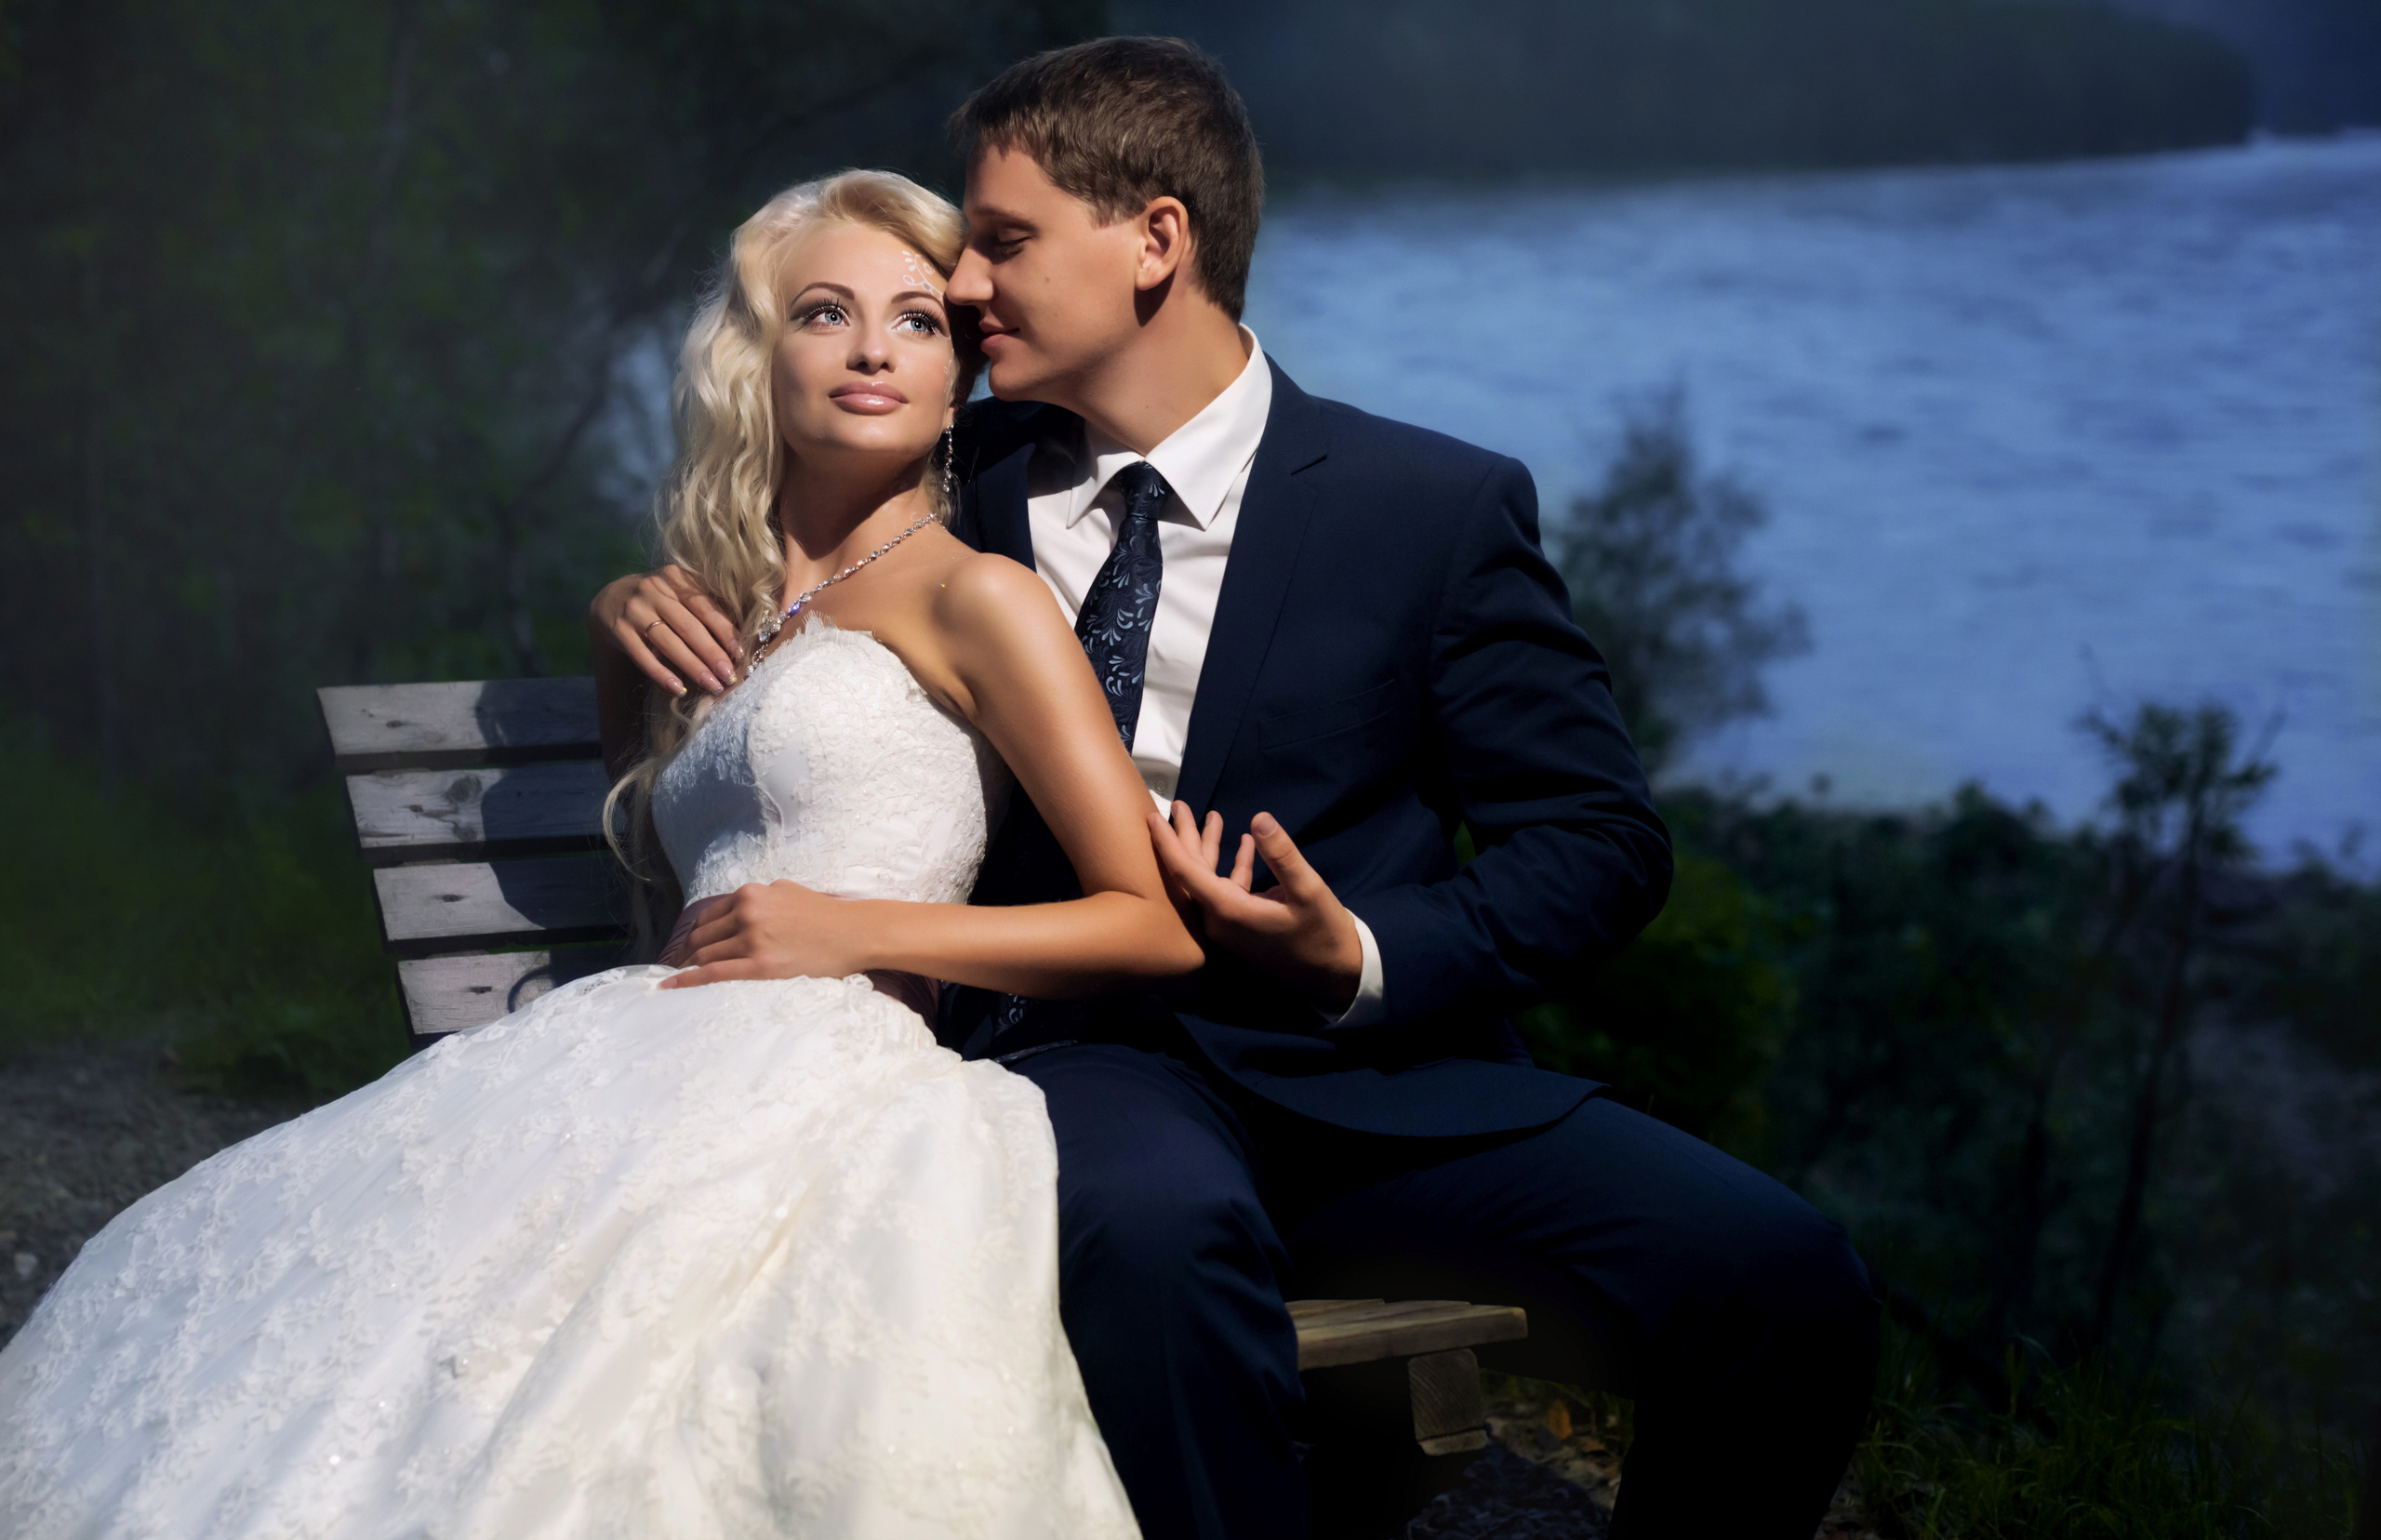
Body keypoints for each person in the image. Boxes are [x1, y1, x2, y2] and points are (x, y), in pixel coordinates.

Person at [624, 38, 1880, 1539]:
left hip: (1380, 1089)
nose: (962, 290)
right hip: (1081, 1064)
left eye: (1005, 243)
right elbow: (778, 537)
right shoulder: (953, 474)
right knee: (1158, 1234)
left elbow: (1600, 842)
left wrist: (1355, 951)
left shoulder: (1429, 508)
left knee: (1785, 1277)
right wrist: (635, 604)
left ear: (1157, 242)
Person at [0, 168, 1197, 1539]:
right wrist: (611, 615)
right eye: (825, 312)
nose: (874, 349)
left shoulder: (977, 596)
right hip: (637, 1054)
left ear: (953, 380)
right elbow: (657, 833)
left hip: (837, 1083)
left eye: (919, 321)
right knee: (353, 1368)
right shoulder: (728, 609)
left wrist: (854, 931)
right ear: (759, 359)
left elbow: (1146, 924)